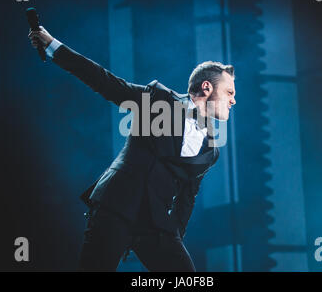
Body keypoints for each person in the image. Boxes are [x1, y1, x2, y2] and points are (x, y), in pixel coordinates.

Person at [28, 26, 236, 271]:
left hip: (155, 224)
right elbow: (106, 82)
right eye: (229, 92)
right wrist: (53, 45)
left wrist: (172, 238)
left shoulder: (211, 151)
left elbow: (187, 197)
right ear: (207, 88)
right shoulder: (160, 99)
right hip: (115, 206)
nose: (233, 100)